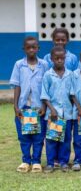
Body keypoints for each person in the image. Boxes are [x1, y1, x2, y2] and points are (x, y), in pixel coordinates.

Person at [10, 36, 48, 173]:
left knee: (39, 136)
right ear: (24, 49)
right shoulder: (19, 65)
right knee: (24, 136)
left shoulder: (44, 65)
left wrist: (44, 106)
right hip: (23, 107)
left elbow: (46, 87)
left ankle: (36, 161)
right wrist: (16, 106)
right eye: (28, 47)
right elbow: (17, 86)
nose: (31, 49)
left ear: (38, 48)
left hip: (39, 108)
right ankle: (26, 161)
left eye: (34, 47)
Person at [41, 46, 75, 173]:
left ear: (65, 58)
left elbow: (72, 95)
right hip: (52, 115)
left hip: (67, 114)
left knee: (66, 139)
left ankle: (63, 162)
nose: (59, 60)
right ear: (51, 59)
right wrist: (52, 109)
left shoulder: (70, 75)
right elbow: (44, 95)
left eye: (62, 58)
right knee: (51, 139)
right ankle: (50, 163)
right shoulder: (47, 75)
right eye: (56, 58)